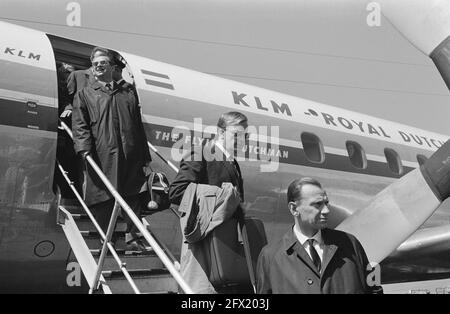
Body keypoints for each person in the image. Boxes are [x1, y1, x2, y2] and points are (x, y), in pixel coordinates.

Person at [72, 47, 151, 250]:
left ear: (112, 67)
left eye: (103, 62)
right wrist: (84, 150)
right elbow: (80, 125)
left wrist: (145, 156)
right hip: (102, 153)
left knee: (133, 194)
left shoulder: (127, 92)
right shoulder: (85, 94)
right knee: (103, 197)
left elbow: (137, 125)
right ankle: (106, 240)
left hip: (130, 152)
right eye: (95, 63)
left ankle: (133, 237)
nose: (98, 66)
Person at [256, 177, 383, 294]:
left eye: (326, 203)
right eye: (317, 204)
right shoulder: (270, 257)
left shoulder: (350, 244)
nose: (326, 210)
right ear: (294, 209)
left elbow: (374, 290)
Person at [169, 111, 249, 293]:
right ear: (221, 133)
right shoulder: (200, 153)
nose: (241, 141)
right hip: (202, 243)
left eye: (244, 136)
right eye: (236, 135)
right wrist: (224, 195)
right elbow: (177, 192)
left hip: (224, 243)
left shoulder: (232, 163)